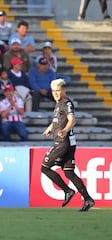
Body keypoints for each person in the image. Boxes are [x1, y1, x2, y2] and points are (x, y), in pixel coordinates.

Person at [41, 78, 95, 211]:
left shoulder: (66, 103)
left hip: (62, 142)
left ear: (64, 90)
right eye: (53, 91)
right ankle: (88, 199)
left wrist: (64, 130)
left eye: (58, 91)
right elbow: (56, 121)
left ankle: (67, 191)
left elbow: (72, 120)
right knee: (69, 172)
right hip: (70, 143)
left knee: (45, 167)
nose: (56, 94)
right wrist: (49, 128)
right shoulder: (59, 104)